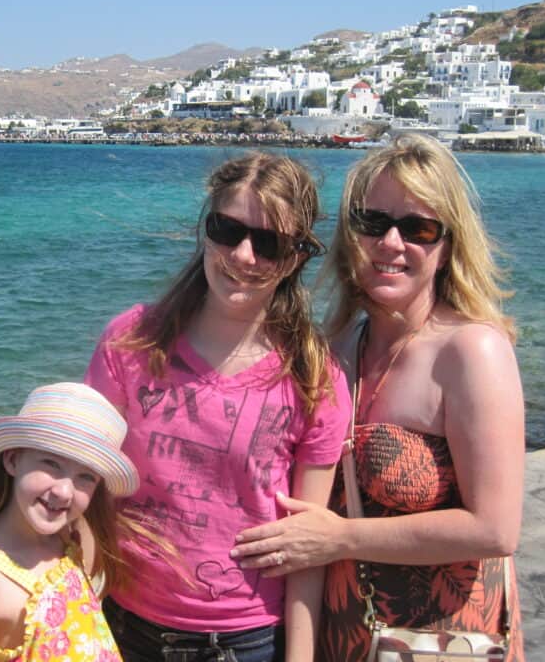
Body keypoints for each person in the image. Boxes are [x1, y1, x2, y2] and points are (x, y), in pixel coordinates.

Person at [230, 133, 525, 661]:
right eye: (373, 223)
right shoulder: (339, 349)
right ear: (350, 235)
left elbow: (495, 528)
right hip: (346, 637)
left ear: (448, 244)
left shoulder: (472, 351)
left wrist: (342, 538)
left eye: (419, 228)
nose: (391, 243)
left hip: (442, 641)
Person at [85, 152, 351, 662]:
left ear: (295, 257)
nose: (245, 255)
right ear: (205, 230)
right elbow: (86, 487)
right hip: (123, 624)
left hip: (247, 641)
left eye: (268, 243)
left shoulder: (315, 377)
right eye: (228, 231)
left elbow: (305, 548)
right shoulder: (130, 341)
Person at [0, 382, 141, 662]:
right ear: (12, 460)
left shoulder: (70, 536)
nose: (64, 491)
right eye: (51, 463)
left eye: (87, 477)